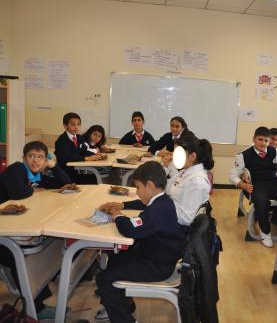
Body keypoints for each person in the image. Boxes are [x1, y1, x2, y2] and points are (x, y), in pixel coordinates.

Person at [95, 161, 182, 323]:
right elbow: (142, 204)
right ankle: (122, 305)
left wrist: (117, 214)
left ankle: (124, 319)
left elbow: (130, 229)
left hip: (156, 266)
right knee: (116, 255)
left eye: (138, 187)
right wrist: (121, 205)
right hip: (158, 257)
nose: (137, 192)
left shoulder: (156, 212)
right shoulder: (163, 201)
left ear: (149, 186)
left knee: (103, 278)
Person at [0, 141, 72, 320]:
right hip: (4, 232)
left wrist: (53, 167)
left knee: (40, 248)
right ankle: (36, 309)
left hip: (10, 226)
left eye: (40, 157)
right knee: (18, 256)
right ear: (23, 158)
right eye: (31, 156)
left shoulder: (37, 176)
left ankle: (38, 302)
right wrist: (34, 190)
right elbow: (18, 193)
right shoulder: (16, 169)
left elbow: (65, 183)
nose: (35, 161)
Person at [229, 126, 277, 247]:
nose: (263, 143)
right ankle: (265, 232)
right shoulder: (244, 155)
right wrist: (243, 185)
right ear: (254, 139)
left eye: (266, 141)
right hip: (256, 185)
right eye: (260, 139)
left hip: (273, 183)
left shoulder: (274, 152)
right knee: (262, 202)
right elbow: (233, 175)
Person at [54, 112, 106, 184]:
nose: (76, 127)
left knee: (94, 177)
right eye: (72, 124)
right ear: (65, 126)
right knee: (92, 179)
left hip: (76, 170)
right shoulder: (61, 141)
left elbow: (84, 151)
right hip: (66, 174)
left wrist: (96, 155)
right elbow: (67, 158)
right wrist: (86, 158)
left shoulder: (79, 137)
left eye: (78, 124)